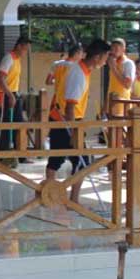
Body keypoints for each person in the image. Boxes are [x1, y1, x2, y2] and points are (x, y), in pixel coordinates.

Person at [46, 38, 110, 202]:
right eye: (105, 58)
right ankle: (65, 198)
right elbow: (70, 106)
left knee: (61, 159)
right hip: (66, 121)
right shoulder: (79, 73)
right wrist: (75, 132)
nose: (105, 62)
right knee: (79, 161)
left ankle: (60, 196)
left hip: (67, 120)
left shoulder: (82, 70)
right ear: (97, 57)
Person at [0, 36, 31, 153]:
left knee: (19, 124)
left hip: (14, 93)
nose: (26, 53)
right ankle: (1, 154)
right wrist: (10, 95)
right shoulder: (8, 58)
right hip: (5, 94)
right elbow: (0, 79)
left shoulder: (17, 60)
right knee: (4, 126)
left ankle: (20, 154)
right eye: (25, 49)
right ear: (19, 46)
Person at [106, 38, 136, 118]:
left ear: (123, 49)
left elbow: (127, 85)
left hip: (122, 104)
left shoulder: (128, 63)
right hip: (111, 103)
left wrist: (114, 68)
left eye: (117, 48)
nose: (114, 51)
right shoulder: (114, 62)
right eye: (112, 48)